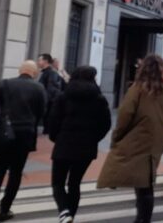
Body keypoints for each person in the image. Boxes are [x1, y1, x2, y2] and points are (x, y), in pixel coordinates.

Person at [97, 55, 163, 223]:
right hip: (159, 138)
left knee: (143, 183)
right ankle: (143, 218)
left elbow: (125, 115)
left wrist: (117, 137)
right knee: (147, 178)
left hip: (139, 137)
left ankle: (143, 219)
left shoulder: (138, 88)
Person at [48, 66, 111, 223]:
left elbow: (53, 121)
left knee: (57, 183)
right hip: (86, 148)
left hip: (64, 144)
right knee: (74, 183)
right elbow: (105, 124)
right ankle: (70, 216)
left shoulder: (64, 96)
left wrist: (56, 137)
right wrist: (93, 138)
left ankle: (64, 211)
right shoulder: (99, 99)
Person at [0, 61, 46, 222]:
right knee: (16, 172)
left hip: (4, 133)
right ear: (34, 73)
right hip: (25, 134)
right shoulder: (39, 88)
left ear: (20, 70)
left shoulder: (5, 84)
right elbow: (42, 112)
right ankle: (4, 210)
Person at [38, 53, 63, 134]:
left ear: (45, 61)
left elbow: (51, 89)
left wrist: (45, 102)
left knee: (47, 123)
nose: (38, 62)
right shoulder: (45, 72)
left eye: (40, 60)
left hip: (48, 102)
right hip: (47, 101)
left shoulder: (51, 72)